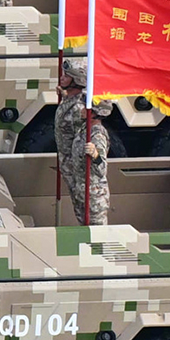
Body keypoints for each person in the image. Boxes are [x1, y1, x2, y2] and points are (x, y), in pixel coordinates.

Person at [54, 53, 112, 225]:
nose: (81, 109)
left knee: (96, 230)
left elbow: (101, 168)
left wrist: (95, 155)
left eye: (67, 76)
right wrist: (65, 96)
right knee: (83, 225)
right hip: (81, 185)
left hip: (93, 194)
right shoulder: (84, 129)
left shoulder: (96, 134)